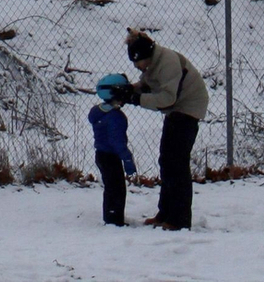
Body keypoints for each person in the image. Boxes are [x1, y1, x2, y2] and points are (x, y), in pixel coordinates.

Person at [112, 27, 209, 231]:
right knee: (166, 161)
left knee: (177, 163)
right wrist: (130, 90)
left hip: (188, 108)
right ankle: (165, 213)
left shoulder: (167, 63)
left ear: (144, 55)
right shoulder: (154, 63)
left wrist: (135, 99)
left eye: (136, 61)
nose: (137, 66)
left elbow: (167, 99)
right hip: (177, 109)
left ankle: (179, 220)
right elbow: (147, 85)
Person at [88, 73, 137, 226]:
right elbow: (117, 142)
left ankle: (111, 216)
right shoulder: (115, 117)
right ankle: (114, 220)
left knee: (110, 186)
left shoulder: (99, 111)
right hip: (111, 156)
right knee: (117, 189)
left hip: (101, 154)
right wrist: (127, 159)